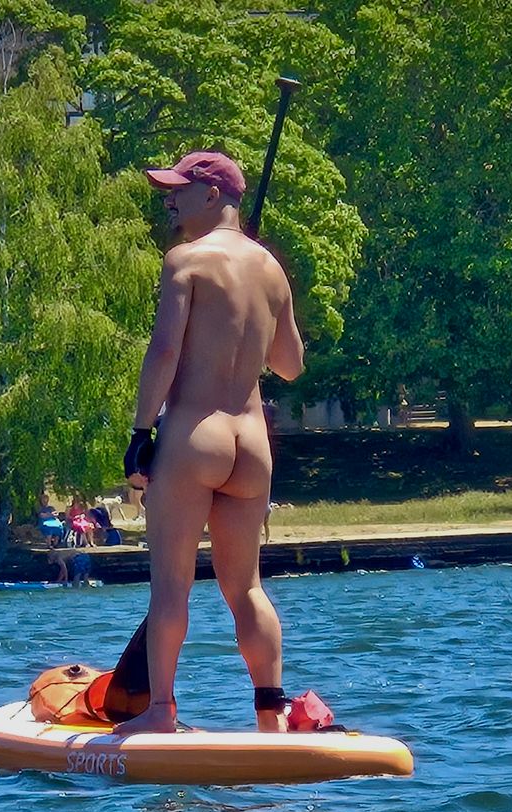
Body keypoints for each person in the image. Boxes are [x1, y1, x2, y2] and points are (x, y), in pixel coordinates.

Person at [115, 150, 304, 735]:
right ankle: (270, 717)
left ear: (214, 195)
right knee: (246, 587)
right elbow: (290, 364)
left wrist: (140, 432)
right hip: (252, 444)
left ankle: (160, 712)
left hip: (195, 436)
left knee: (171, 588)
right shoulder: (271, 269)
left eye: (179, 190)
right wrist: (254, 306)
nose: (170, 200)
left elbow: (165, 351)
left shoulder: (185, 261)